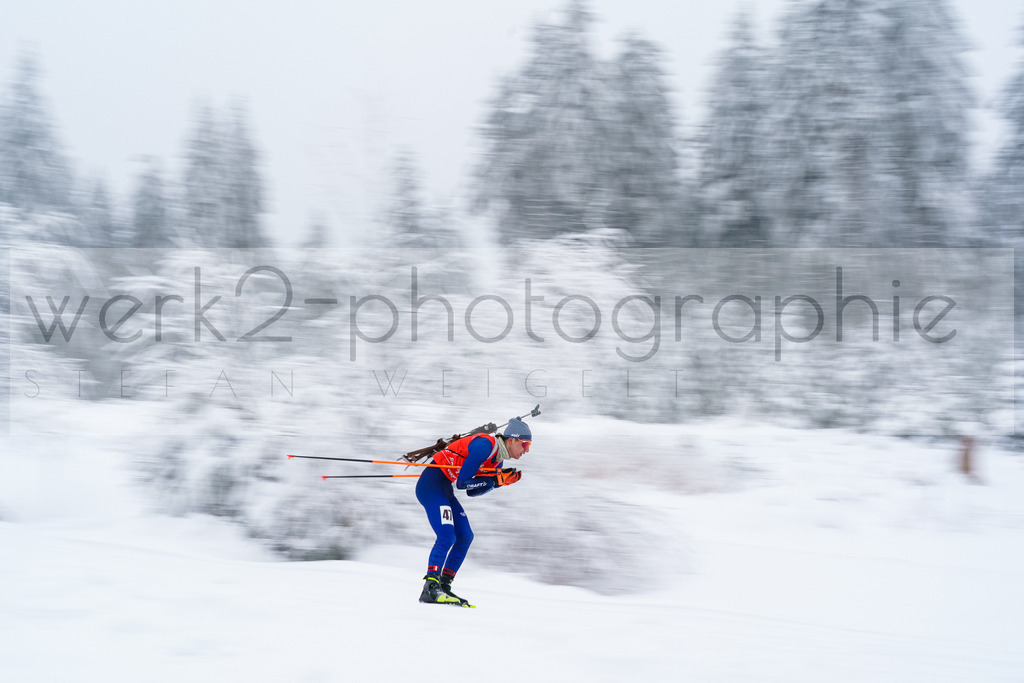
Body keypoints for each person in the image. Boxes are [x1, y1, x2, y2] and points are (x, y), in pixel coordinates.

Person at [415, 417, 532, 606]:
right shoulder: (485, 445)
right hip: (431, 486)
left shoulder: (497, 462)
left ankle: (444, 586)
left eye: (529, 446)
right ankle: (430, 587)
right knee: (447, 536)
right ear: (511, 439)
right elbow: (463, 482)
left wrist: (497, 483)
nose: (526, 450)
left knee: (465, 536)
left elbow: (472, 491)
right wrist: (494, 481)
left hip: (445, 489)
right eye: (524, 444)